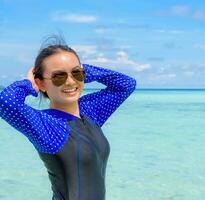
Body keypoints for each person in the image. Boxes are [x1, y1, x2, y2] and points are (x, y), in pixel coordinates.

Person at [0, 38, 136, 200]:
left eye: (76, 73)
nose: (70, 81)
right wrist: (29, 83)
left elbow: (126, 84)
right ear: (42, 84)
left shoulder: (90, 113)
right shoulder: (49, 126)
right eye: (59, 76)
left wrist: (84, 72)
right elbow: (6, 102)